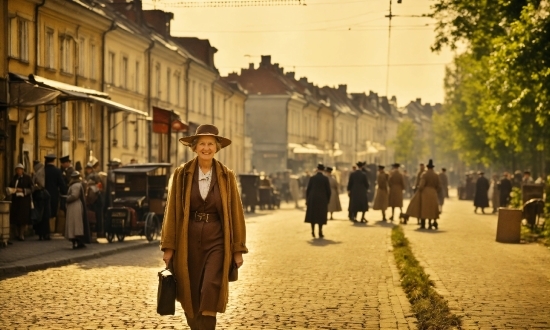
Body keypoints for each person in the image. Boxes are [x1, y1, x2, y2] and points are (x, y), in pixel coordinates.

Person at [160, 124, 247, 330]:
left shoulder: (227, 176)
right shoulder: (182, 174)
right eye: (202, 144)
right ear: (194, 147)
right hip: (187, 240)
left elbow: (236, 214)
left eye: (210, 144)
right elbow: (171, 211)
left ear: (217, 147)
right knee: (189, 293)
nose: (206, 148)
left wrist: (237, 250)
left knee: (210, 288)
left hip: (217, 240)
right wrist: (169, 247)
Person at [406, 159, 441, 229]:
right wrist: (435, 191)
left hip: (425, 193)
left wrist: (419, 189)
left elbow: (422, 185)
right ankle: (430, 223)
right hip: (433, 193)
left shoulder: (424, 174)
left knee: (424, 208)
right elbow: (439, 186)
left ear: (427, 167)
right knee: (432, 208)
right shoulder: (436, 175)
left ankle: (423, 224)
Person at [65, 171, 91, 249]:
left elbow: (74, 195)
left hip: (74, 205)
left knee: (75, 223)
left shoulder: (76, 185)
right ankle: (77, 241)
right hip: (74, 205)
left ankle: (77, 240)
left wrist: (67, 199)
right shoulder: (77, 185)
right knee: (75, 223)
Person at [305, 163, 331, 237]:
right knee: (321, 216)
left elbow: (308, 190)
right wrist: (327, 200)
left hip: (313, 199)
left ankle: (312, 231)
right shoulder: (325, 179)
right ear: (323, 170)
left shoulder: (312, 178)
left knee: (313, 215)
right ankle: (320, 231)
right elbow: (328, 191)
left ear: (317, 169)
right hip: (322, 199)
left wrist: (307, 200)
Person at [8, 164, 33, 241]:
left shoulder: (27, 178)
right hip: (16, 200)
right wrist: (12, 190)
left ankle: (21, 234)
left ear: (22, 170)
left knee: (23, 217)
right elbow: (10, 186)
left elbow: (32, 188)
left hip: (24, 200)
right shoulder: (14, 178)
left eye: (20, 169)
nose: (18, 171)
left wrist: (23, 190)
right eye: (17, 170)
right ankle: (16, 233)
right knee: (15, 217)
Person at [44, 154, 67, 238]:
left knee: (44, 212)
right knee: (52, 212)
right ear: (53, 161)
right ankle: (50, 231)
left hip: (43, 194)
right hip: (53, 195)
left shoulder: (43, 170)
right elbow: (61, 184)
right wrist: (64, 192)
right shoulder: (57, 171)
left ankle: (44, 231)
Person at [31, 161, 51, 241]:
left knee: (40, 216)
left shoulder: (38, 172)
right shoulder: (43, 170)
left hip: (40, 196)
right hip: (45, 196)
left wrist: (34, 187)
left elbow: (39, 185)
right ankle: (45, 234)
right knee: (45, 217)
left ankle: (41, 234)